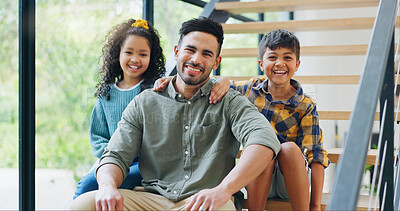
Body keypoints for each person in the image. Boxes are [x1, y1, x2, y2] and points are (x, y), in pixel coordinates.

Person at [67, 17, 281, 211]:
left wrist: (224, 189)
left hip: (207, 201)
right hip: (150, 198)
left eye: (206, 54)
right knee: (83, 205)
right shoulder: (145, 101)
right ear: (177, 51)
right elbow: (116, 154)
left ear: (216, 62)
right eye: (190, 50)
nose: (196, 59)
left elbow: (264, 139)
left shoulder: (229, 101)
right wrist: (107, 186)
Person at [155, 29, 330, 210]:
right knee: (263, 149)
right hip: (258, 176)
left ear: (297, 64)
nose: (280, 63)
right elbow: (208, 82)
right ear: (261, 63)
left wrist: (315, 205)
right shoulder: (249, 90)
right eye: (272, 57)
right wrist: (173, 80)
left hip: (290, 179)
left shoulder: (305, 104)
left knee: (289, 149)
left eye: (287, 58)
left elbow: (316, 155)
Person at [72, 18, 166, 200]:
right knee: (86, 184)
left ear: (151, 57)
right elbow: (98, 137)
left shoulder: (156, 90)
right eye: (129, 52)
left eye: (143, 54)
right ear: (118, 55)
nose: (135, 59)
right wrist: (115, 155)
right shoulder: (106, 94)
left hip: (144, 166)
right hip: (113, 161)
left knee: (90, 185)